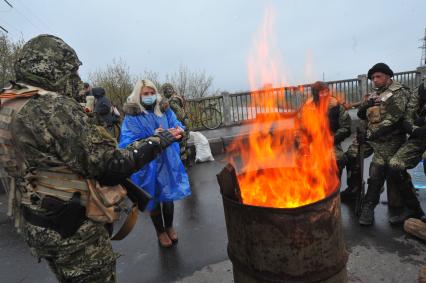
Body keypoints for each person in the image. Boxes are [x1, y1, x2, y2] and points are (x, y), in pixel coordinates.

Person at [1, 34, 182, 282]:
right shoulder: (50, 108)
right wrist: (158, 141)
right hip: (71, 228)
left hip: (36, 219)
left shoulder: (8, 101)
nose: (76, 79)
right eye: (71, 71)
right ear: (51, 68)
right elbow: (110, 166)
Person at [120, 79, 191, 248]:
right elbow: (127, 142)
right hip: (148, 163)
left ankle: (169, 226)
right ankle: (160, 232)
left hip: (167, 160)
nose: (150, 96)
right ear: (139, 95)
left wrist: (178, 132)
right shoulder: (133, 116)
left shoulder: (164, 110)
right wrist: (153, 137)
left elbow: (177, 125)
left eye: (152, 93)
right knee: (153, 198)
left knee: (168, 197)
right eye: (146, 94)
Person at [356, 63, 411, 226]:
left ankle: (369, 207)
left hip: (393, 140)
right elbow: (362, 114)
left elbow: (395, 118)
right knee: (372, 169)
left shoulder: (398, 92)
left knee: (377, 170)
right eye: (373, 78)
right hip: (376, 140)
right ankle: (368, 206)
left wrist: (372, 135)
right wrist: (367, 104)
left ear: (388, 76)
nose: (375, 80)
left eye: (378, 76)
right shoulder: (375, 94)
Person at [386, 80, 426, 224]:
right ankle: (413, 209)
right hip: (419, 136)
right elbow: (409, 115)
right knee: (395, 165)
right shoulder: (420, 89)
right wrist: (413, 127)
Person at [310, 81, 352, 179]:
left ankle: (334, 189)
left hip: (331, 142)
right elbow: (300, 128)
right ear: (316, 94)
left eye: (326, 91)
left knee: (337, 161)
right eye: (321, 92)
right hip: (313, 143)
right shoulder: (308, 108)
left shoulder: (336, 106)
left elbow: (346, 127)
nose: (324, 95)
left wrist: (332, 139)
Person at [161, 82, 191, 166]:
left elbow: (179, 114)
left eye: (164, 91)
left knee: (182, 145)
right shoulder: (177, 97)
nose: (164, 93)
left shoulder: (172, 101)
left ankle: (184, 164)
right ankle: (188, 161)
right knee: (186, 143)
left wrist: (177, 124)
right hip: (186, 121)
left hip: (181, 124)